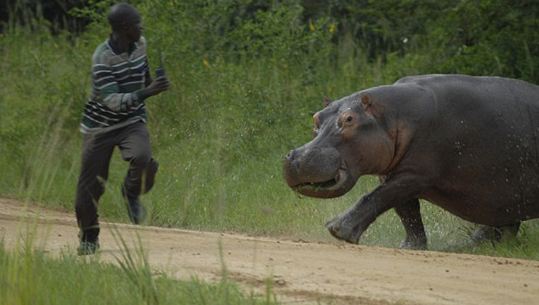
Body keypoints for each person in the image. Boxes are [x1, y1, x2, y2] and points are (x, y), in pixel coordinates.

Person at [75, 2, 169, 255]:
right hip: (100, 126)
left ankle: (131, 195)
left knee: (142, 158)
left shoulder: (141, 44)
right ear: (125, 28)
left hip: (131, 121)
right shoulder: (101, 58)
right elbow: (113, 101)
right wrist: (148, 91)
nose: (142, 27)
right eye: (138, 24)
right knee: (89, 187)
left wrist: (155, 82)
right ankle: (89, 237)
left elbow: (142, 76)